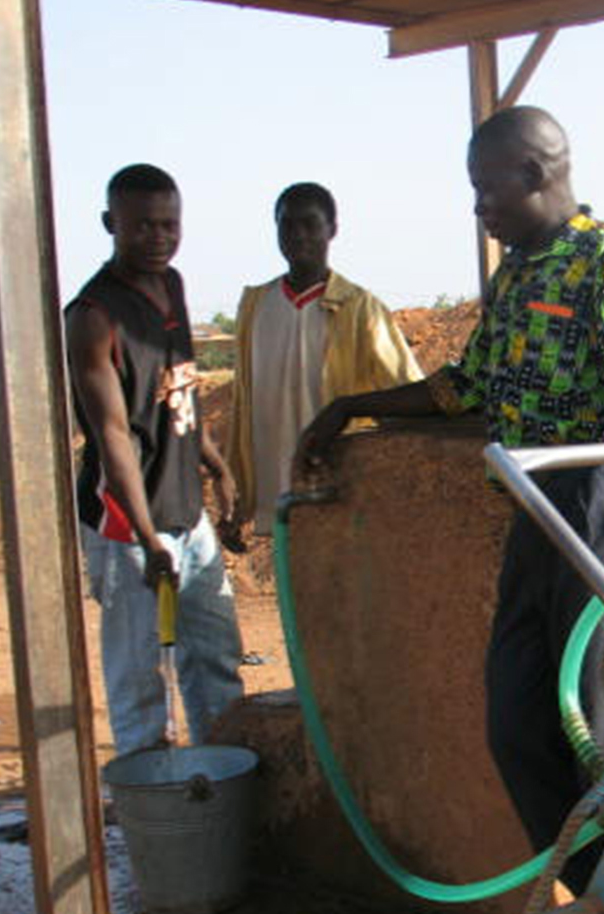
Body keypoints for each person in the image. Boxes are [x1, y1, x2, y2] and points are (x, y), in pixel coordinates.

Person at [298, 106, 604, 892]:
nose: (478, 208)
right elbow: (465, 387)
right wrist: (352, 407)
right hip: (533, 508)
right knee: (515, 720)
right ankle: (598, 901)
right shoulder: (514, 275)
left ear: (536, 175)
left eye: (486, 190)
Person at [67, 163, 245, 756]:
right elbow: (113, 432)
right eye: (142, 226)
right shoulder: (93, 316)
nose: (158, 238)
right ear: (109, 224)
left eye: (169, 225)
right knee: (141, 683)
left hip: (185, 512)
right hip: (126, 525)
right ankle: (158, 821)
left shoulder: (171, 285)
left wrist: (215, 466)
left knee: (215, 664)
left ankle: (218, 796)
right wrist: (147, 540)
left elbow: (180, 393)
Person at [224, 182, 422, 539]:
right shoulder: (255, 307)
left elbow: (406, 388)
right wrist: (242, 496)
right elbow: (243, 405)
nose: (298, 235)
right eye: (287, 225)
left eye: (310, 224)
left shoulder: (361, 309)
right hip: (277, 494)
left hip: (338, 491)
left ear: (332, 229)